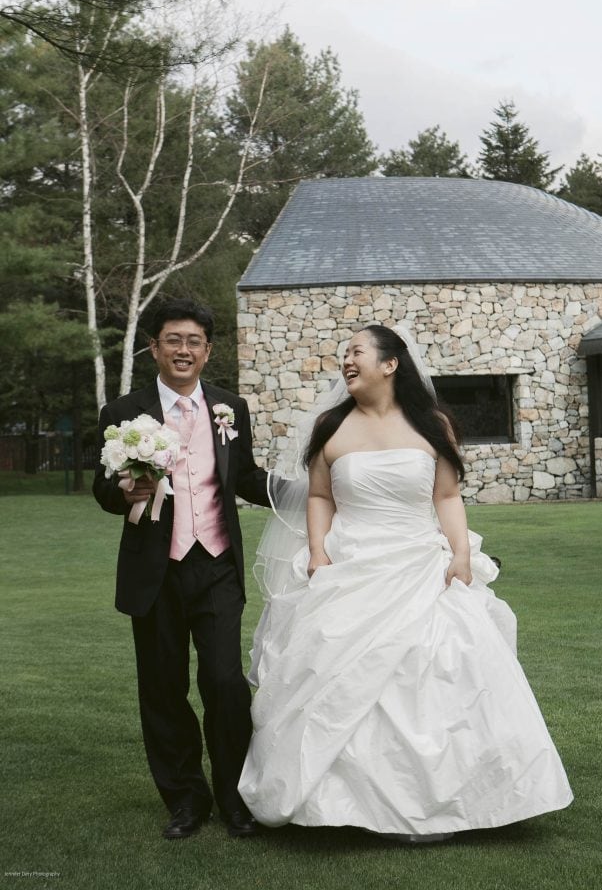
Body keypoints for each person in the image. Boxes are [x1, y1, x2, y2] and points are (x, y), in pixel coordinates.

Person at [239, 324, 573, 841]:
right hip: (350, 565)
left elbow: (445, 496)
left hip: (421, 560)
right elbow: (320, 497)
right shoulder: (331, 426)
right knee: (335, 672)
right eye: (343, 354)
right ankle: (340, 805)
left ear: (390, 364)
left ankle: (460, 798)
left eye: (357, 352)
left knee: (443, 665)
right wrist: (320, 551)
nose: (346, 361)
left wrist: (460, 552)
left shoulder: (433, 424)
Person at [93, 299, 270, 840]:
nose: (184, 350)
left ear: (208, 350)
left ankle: (234, 796)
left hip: (216, 565)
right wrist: (125, 489)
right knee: (163, 688)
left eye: (194, 341)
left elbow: (242, 477)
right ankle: (185, 801)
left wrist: (304, 492)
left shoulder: (230, 408)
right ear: (155, 346)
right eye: (173, 340)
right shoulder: (124, 412)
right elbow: (103, 489)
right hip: (155, 571)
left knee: (225, 683)